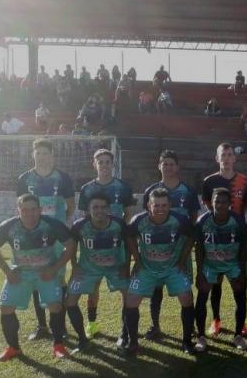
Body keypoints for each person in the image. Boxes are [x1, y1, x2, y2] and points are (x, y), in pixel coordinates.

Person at [0, 194, 73, 361]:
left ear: (40, 210)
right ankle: (13, 348)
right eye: (25, 210)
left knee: (55, 306)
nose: (30, 213)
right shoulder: (9, 226)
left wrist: (54, 269)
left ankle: (58, 346)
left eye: (33, 209)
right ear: (18, 211)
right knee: (5, 308)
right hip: (20, 273)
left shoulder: (51, 224)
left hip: (46, 272)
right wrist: (7, 271)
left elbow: (70, 245)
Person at [15, 138, 75, 342]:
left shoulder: (63, 178)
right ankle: (42, 326)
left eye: (46, 153)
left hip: (55, 238)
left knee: (59, 278)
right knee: (35, 278)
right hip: (32, 236)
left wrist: (59, 226)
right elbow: (20, 207)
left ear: (52, 155)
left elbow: (70, 206)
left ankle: (61, 325)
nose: (42, 156)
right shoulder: (24, 179)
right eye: (38, 153)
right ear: (33, 155)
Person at [124, 188, 196, 355]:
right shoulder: (138, 220)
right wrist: (138, 260)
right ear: (149, 205)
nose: (160, 209)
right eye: (156, 205)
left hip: (172, 268)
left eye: (164, 205)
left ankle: (187, 342)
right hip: (147, 268)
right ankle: (133, 342)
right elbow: (129, 237)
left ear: (170, 205)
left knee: (187, 298)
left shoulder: (180, 220)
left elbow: (192, 236)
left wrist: (181, 260)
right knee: (131, 300)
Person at [77, 149, 136, 338]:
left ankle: (125, 330)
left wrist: (120, 234)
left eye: (107, 162)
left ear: (113, 164)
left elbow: (128, 214)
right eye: (100, 162)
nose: (104, 165)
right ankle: (92, 324)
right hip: (94, 246)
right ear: (94, 164)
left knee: (124, 288)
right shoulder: (87, 189)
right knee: (93, 287)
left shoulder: (123, 187)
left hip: (117, 246)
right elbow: (84, 217)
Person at [142, 150, 201, 340]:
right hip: (157, 249)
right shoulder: (151, 191)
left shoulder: (188, 191)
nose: (168, 167)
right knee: (156, 289)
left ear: (178, 167)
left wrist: (186, 245)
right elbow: (146, 219)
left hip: (180, 249)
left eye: (171, 164)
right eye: (164, 164)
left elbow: (193, 219)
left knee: (184, 288)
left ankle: (190, 326)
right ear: (159, 166)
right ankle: (155, 326)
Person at [65, 193, 130, 352]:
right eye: (95, 207)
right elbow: (71, 246)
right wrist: (75, 266)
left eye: (103, 207)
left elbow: (129, 245)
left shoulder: (119, 224)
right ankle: (83, 339)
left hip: (115, 267)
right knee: (70, 301)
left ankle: (125, 335)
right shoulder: (79, 225)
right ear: (88, 209)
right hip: (88, 268)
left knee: (130, 296)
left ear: (108, 209)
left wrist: (125, 266)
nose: (99, 210)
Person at [201, 143, 247, 336]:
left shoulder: (244, 181)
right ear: (217, 158)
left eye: (230, 154)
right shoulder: (209, 181)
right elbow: (208, 206)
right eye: (223, 155)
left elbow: (246, 207)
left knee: (239, 279)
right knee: (216, 281)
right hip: (216, 238)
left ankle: (241, 322)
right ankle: (216, 320)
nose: (227, 158)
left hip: (236, 238)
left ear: (234, 158)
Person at [194, 189, 247, 350]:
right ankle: (201, 337)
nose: (220, 205)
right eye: (217, 201)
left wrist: (242, 271)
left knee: (240, 296)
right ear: (212, 203)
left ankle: (238, 336)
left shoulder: (238, 221)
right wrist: (200, 272)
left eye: (224, 202)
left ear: (230, 204)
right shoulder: (203, 221)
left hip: (232, 264)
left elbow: (243, 248)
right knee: (202, 297)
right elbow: (199, 249)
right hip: (210, 264)